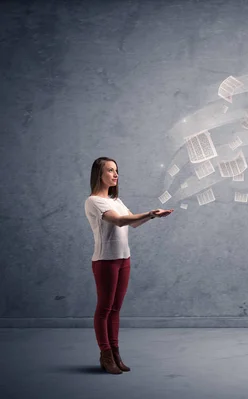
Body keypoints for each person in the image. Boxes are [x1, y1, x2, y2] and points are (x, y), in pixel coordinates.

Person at [84, 157, 174, 375]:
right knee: (104, 308)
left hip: (124, 259)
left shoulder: (117, 200)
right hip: (105, 261)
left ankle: (115, 352)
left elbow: (132, 221)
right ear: (99, 174)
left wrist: (152, 216)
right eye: (110, 170)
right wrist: (150, 213)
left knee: (116, 309)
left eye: (116, 170)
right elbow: (119, 221)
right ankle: (105, 354)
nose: (115, 174)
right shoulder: (94, 201)